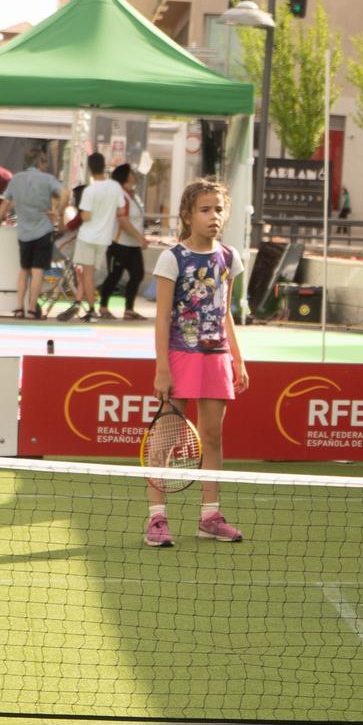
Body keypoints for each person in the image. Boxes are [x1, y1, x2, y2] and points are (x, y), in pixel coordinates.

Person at [147, 177, 249, 548]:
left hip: (216, 359)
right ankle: (156, 519)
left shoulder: (229, 257)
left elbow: (225, 313)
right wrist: (162, 367)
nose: (213, 217)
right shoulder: (171, 258)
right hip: (179, 357)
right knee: (166, 441)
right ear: (188, 215)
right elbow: (161, 318)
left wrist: (238, 358)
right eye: (205, 210)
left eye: (219, 209)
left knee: (213, 438)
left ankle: (210, 516)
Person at [0, 146, 66, 319]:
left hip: (23, 232)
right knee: (37, 272)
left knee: (23, 270)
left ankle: (19, 308)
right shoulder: (47, 179)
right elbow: (66, 193)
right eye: (45, 162)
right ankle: (31, 309)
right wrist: (58, 210)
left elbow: (5, 202)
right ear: (39, 162)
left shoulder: (16, 179)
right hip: (43, 231)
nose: (46, 165)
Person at [72, 153, 121, 323]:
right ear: (104, 165)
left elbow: (85, 216)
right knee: (91, 275)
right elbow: (121, 210)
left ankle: (91, 310)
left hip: (87, 237)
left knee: (87, 275)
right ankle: (83, 305)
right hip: (104, 239)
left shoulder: (90, 190)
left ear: (90, 169)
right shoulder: (115, 187)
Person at [98, 164, 148, 320]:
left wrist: (139, 237)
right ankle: (103, 307)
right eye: (132, 172)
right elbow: (123, 221)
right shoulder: (120, 195)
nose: (135, 175)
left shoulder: (133, 195)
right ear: (126, 176)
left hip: (132, 245)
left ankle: (129, 309)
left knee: (137, 274)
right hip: (119, 243)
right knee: (114, 275)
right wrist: (140, 238)